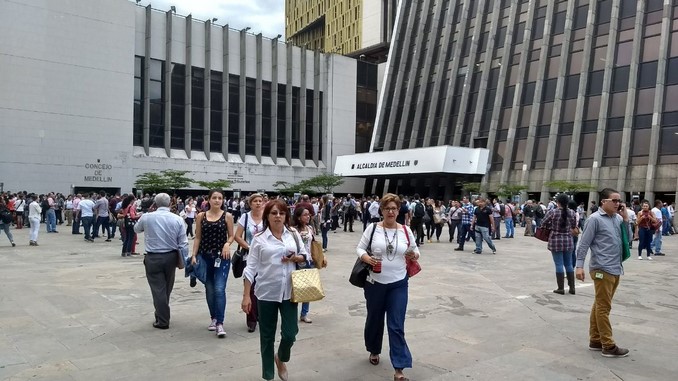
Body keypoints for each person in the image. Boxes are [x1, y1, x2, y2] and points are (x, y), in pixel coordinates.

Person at [241, 199, 307, 381]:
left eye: (282, 213)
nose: (278, 216)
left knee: (290, 333)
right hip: (266, 292)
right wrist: (246, 296)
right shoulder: (259, 239)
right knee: (267, 336)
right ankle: (268, 375)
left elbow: (305, 256)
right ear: (267, 216)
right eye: (274, 213)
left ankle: (281, 357)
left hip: (289, 292)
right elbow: (250, 268)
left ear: (286, 216)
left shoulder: (292, 234)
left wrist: (294, 259)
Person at [356, 193, 420, 381]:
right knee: (374, 319)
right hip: (375, 283)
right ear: (381, 210)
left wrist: (414, 255)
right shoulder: (372, 228)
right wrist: (366, 257)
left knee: (396, 325)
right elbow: (359, 248)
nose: (391, 211)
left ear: (399, 210)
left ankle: (399, 367)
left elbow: (416, 250)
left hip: (399, 283)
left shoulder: (406, 230)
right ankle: (374, 349)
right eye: (387, 208)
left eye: (394, 208)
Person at [575, 188, 630, 358]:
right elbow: (584, 244)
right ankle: (608, 345)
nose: (618, 204)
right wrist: (579, 266)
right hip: (601, 269)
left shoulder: (618, 218)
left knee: (599, 304)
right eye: (614, 200)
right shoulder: (594, 219)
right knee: (604, 307)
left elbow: (627, 240)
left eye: (619, 201)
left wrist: (626, 219)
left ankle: (595, 340)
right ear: (603, 202)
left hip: (615, 267)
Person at [134, 193, 188, 330]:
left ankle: (162, 319)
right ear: (170, 203)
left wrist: (147, 213)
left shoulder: (147, 217)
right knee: (166, 288)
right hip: (171, 256)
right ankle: (161, 314)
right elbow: (183, 242)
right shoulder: (177, 219)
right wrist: (184, 260)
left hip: (153, 257)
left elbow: (136, 229)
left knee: (158, 289)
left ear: (155, 204)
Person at [190, 189, 235, 338]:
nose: (217, 200)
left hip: (222, 257)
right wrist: (194, 255)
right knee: (209, 288)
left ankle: (220, 323)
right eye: (214, 198)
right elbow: (197, 237)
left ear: (223, 200)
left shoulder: (227, 216)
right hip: (205, 257)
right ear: (208, 200)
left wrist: (227, 244)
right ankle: (213, 318)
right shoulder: (201, 216)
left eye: (220, 198)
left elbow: (231, 236)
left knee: (219, 288)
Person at [234, 193, 265, 333]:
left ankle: (261, 315)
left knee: (264, 286)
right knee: (250, 288)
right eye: (255, 201)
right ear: (250, 204)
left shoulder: (267, 216)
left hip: (266, 257)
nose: (258, 203)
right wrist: (249, 247)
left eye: (260, 201)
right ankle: (251, 319)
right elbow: (237, 236)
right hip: (249, 257)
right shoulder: (245, 217)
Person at [540, 194, 577, 295]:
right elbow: (574, 226)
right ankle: (572, 288)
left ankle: (561, 288)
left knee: (559, 264)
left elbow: (542, 223)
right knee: (569, 264)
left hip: (555, 240)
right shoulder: (572, 212)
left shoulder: (552, 212)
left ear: (558, 202)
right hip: (568, 241)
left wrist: (550, 226)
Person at [291, 204, 321, 323]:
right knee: (296, 288)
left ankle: (304, 313)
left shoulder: (309, 228)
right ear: (298, 217)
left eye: (308, 214)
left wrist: (318, 256)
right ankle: (292, 312)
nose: (308, 216)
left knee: (308, 287)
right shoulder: (293, 230)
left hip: (309, 260)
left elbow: (313, 243)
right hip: (298, 261)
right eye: (305, 215)